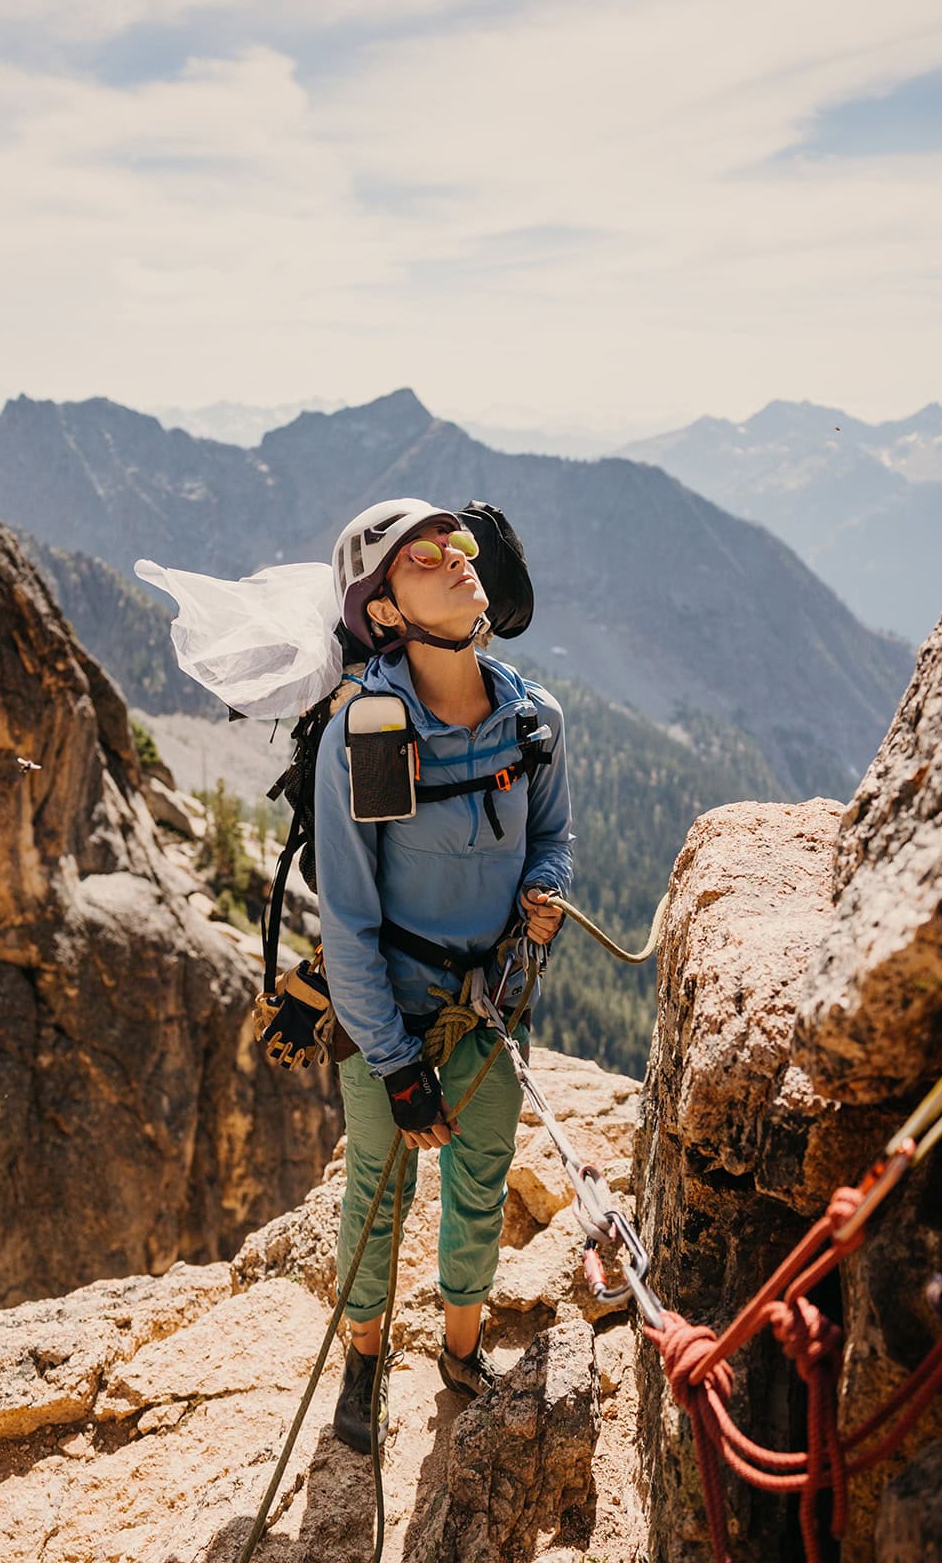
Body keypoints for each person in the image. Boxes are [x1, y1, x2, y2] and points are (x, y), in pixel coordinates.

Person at [314, 498, 573, 1453]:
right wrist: (392, 1062)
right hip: (398, 1006)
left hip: (495, 1001)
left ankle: (460, 1352)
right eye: (419, 557)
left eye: (456, 545)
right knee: (377, 1194)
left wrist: (544, 887)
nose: (454, 559)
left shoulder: (532, 721)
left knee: (479, 1181)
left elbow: (552, 838)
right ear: (382, 613)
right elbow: (345, 917)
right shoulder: (367, 734)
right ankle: (363, 1363)